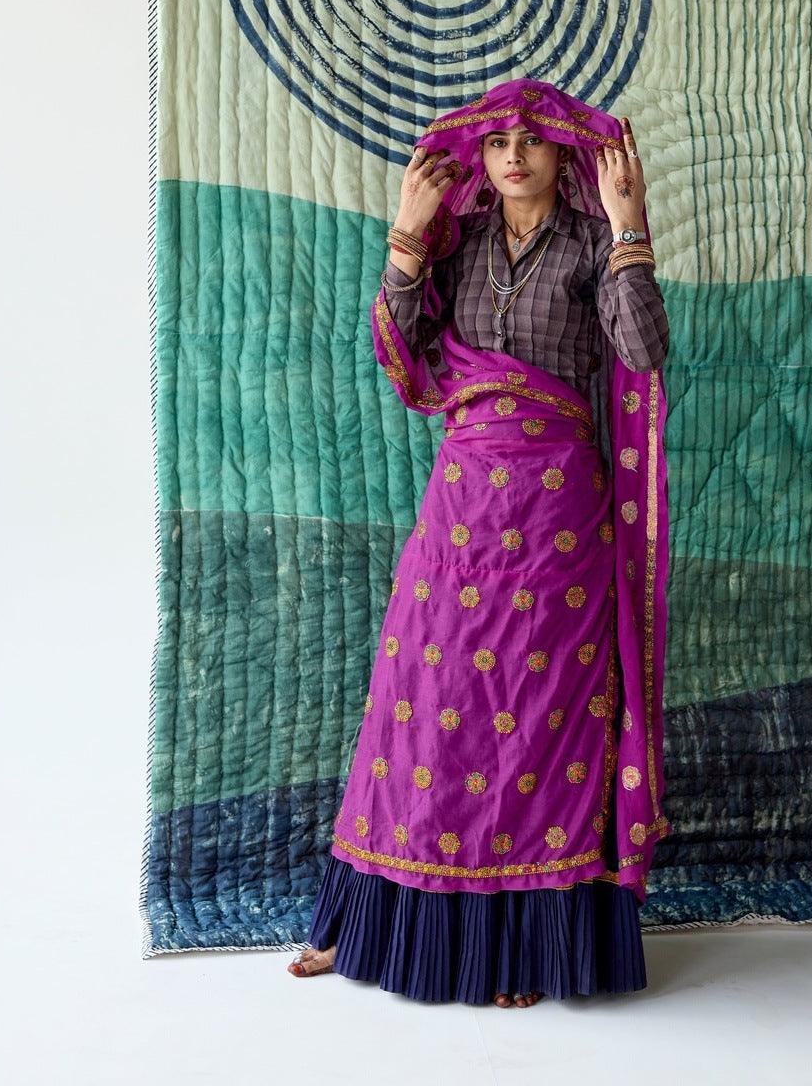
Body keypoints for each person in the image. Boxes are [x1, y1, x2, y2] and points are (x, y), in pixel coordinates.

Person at [287, 76, 671, 1005]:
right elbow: (400, 356)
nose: (513, 154)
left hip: (556, 515)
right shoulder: (456, 248)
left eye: (531, 140)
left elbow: (642, 351)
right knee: (423, 701)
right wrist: (408, 235)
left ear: (562, 154)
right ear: (479, 158)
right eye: (497, 141)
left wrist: (628, 225)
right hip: (460, 508)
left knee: (536, 712)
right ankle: (371, 924)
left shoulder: (590, 243)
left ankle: (522, 949)